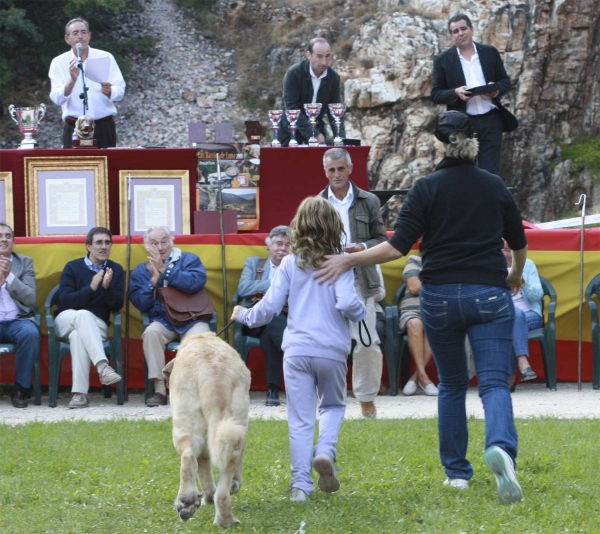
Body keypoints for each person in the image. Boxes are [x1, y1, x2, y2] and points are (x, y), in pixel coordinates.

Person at [315, 111, 528, 505]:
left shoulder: (425, 188)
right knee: (495, 383)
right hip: (489, 294)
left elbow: (396, 247)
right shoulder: (495, 185)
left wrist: (348, 260)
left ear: (438, 145)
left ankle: (457, 474)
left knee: (450, 385)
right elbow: (518, 242)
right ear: (474, 144)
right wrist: (514, 273)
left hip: (440, 296)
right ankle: (501, 449)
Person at [232, 196, 366, 503]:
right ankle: (326, 450)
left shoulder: (290, 262)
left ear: (299, 226)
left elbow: (268, 309)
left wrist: (243, 315)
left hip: (296, 350)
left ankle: (300, 486)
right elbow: (347, 303)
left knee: (300, 418)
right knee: (332, 406)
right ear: (334, 226)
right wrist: (360, 312)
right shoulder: (340, 261)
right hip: (331, 348)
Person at [320, 147, 387, 418]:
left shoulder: (369, 200)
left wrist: (361, 247)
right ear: (325, 172)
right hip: (328, 279)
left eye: (340, 169)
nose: (336, 174)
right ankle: (329, 401)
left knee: (367, 341)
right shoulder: (317, 203)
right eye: (331, 170)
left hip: (361, 275)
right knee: (326, 343)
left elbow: (381, 240)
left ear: (350, 169)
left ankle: (366, 398)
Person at [129, 226, 211, 407]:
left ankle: (191, 390)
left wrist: (165, 271)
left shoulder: (189, 259)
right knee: (151, 333)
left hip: (192, 318)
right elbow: (140, 303)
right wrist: (152, 281)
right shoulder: (142, 271)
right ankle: (159, 389)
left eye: (163, 241)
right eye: (154, 243)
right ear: (147, 246)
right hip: (163, 320)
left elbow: (195, 283)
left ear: (171, 242)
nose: (160, 247)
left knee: (200, 339)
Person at [431, 13, 518, 176]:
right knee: (464, 172)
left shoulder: (489, 52)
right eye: (455, 31)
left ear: (472, 29)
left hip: (491, 119)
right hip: (462, 124)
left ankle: (489, 201)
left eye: (463, 28)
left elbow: (505, 81)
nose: (460, 33)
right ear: (452, 36)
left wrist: (496, 89)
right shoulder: (442, 60)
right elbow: (436, 94)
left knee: (491, 172)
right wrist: (456, 92)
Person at [55, 227, 123, 409]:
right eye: (99, 242)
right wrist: (91, 288)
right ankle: (103, 367)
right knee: (83, 315)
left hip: (97, 325)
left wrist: (107, 288)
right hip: (66, 319)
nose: (104, 247)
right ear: (88, 246)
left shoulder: (115, 269)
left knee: (78, 336)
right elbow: (65, 300)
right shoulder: (73, 267)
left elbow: (117, 306)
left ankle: (79, 395)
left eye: (107, 242)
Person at [48, 18, 126, 148]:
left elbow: (120, 90)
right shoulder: (59, 62)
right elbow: (57, 98)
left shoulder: (106, 57)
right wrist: (72, 81)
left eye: (83, 32)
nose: (80, 36)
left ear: (89, 36)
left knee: (107, 167)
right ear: (67, 39)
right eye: (75, 33)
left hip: (103, 126)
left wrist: (110, 91)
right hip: (74, 127)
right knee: (75, 168)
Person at [236, 225, 290, 407]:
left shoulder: (297, 268)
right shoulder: (254, 263)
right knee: (271, 315)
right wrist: (276, 282)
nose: (283, 249)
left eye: (287, 245)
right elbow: (244, 289)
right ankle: (294, 353)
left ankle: (273, 389)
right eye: (278, 244)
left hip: (285, 320)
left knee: (270, 334)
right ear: (269, 245)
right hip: (253, 320)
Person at [0, 223, 40, 408]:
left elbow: (30, 298)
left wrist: (9, 277)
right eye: (0, 236)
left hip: (18, 321)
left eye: (8, 236)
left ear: (13, 242)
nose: (4, 239)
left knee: (30, 333)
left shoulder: (25, 262)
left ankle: (20, 389)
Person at [278, 37, 345, 146]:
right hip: (289, 133)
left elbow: (335, 111)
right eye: (319, 56)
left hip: (318, 133)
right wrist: (313, 134)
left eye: (327, 56)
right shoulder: (293, 73)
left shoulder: (334, 78)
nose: (324, 62)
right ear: (309, 55)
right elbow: (291, 107)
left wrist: (341, 138)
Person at [398, 244, 438, 396]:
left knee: (434, 324)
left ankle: (417, 376)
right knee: (415, 323)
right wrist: (438, 278)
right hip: (412, 309)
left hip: (435, 310)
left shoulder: (446, 263)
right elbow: (414, 287)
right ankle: (423, 378)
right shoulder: (414, 260)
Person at [502, 240, 543, 385]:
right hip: (502, 316)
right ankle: (523, 364)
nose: (506, 244)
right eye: (502, 241)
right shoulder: (491, 267)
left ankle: (510, 378)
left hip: (530, 314)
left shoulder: (527, 264)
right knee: (513, 317)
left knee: (516, 315)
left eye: (509, 241)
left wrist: (522, 282)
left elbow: (538, 295)